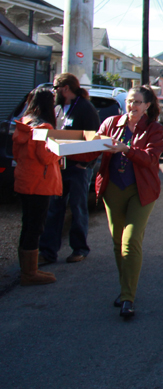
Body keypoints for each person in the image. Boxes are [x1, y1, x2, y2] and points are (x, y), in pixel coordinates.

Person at [96, 85, 163, 318]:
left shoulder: (154, 129)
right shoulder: (110, 123)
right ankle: (125, 288)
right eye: (128, 101)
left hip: (141, 190)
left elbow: (151, 159)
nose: (131, 106)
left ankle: (127, 298)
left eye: (136, 102)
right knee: (118, 242)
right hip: (113, 188)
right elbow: (92, 150)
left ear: (146, 106)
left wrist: (126, 149)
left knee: (131, 239)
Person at [39, 73, 101, 265]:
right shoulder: (57, 108)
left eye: (56, 88)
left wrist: (87, 164)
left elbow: (95, 139)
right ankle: (48, 252)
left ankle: (79, 248)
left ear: (65, 88)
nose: (54, 92)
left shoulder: (85, 108)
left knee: (77, 207)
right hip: (59, 167)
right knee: (54, 208)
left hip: (78, 168)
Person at [12, 90, 62, 285]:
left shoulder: (24, 123)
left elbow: (17, 154)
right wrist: (60, 150)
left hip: (24, 180)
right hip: (40, 184)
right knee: (35, 227)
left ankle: (25, 269)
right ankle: (29, 273)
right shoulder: (44, 126)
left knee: (28, 225)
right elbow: (46, 156)